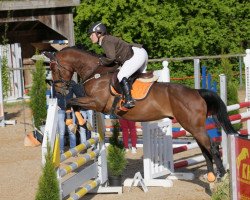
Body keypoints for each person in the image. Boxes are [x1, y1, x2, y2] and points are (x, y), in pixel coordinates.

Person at [88, 21, 148, 109]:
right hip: (140, 52)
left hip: (136, 55)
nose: (90, 37)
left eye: (91, 34)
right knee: (137, 78)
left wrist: (101, 61)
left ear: (99, 34)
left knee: (121, 75)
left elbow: (111, 58)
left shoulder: (105, 41)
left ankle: (129, 100)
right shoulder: (107, 39)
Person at [50, 80, 90, 153]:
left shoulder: (71, 83)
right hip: (60, 110)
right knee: (61, 132)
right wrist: (56, 105)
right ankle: (61, 150)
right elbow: (52, 96)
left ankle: (73, 150)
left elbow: (79, 94)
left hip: (70, 109)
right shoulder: (55, 83)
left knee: (71, 131)